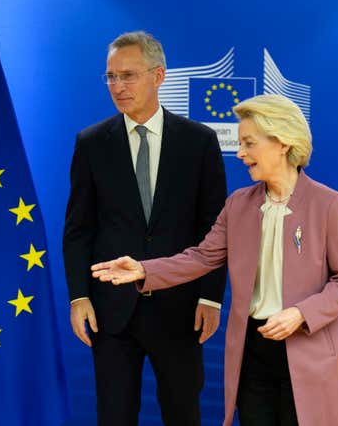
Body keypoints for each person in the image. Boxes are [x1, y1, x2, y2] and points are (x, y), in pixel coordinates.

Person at [91, 94, 338, 426]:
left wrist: (301, 313)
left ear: (282, 143)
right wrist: (143, 269)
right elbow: (201, 257)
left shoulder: (330, 205)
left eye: (249, 143)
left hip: (309, 351)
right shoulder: (238, 205)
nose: (240, 153)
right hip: (253, 353)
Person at [62, 31, 227, 426]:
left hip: (180, 308)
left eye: (128, 75)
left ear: (159, 76)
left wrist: (210, 298)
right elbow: (78, 228)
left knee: (182, 414)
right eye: (111, 77)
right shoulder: (91, 143)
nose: (118, 86)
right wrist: (78, 296)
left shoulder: (199, 141)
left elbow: (215, 229)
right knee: (114, 417)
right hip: (112, 312)